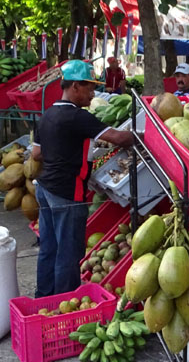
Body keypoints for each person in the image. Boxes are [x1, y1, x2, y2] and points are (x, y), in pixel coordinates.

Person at [32, 60, 134, 297]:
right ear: (75, 86)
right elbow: (118, 138)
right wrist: (144, 134)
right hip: (67, 193)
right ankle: (63, 304)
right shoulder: (77, 117)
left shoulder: (47, 115)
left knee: (49, 249)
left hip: (45, 189)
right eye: (89, 87)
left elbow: (37, 153)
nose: (93, 93)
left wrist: (61, 149)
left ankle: (43, 298)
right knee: (68, 254)